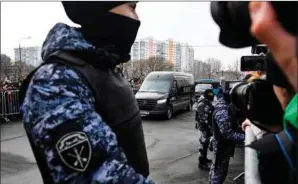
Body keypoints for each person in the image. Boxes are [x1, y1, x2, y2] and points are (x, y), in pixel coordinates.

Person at [19, 2, 155, 183]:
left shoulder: (105, 67)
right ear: (98, 9)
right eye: (132, 8)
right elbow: (104, 177)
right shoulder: (56, 81)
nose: (137, 19)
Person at [209, 89, 245, 184]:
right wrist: (246, 137)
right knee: (219, 173)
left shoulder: (226, 105)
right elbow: (227, 133)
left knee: (216, 168)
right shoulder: (223, 111)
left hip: (222, 145)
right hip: (221, 146)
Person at [195, 89, 214, 170]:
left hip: (207, 126)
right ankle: (201, 163)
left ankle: (204, 159)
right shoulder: (202, 104)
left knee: (205, 143)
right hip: (204, 127)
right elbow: (202, 118)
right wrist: (208, 126)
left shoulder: (207, 101)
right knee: (203, 144)